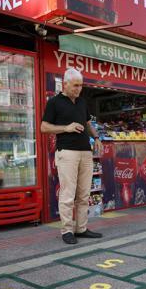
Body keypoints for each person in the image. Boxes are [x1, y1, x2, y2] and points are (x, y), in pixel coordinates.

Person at [41, 68, 103, 245]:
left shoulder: (82, 102)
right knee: (68, 194)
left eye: (81, 86)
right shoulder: (54, 102)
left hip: (85, 152)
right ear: (65, 84)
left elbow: (88, 123)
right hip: (67, 152)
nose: (78, 89)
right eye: (75, 85)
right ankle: (67, 230)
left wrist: (96, 137)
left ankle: (81, 228)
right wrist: (65, 128)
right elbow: (44, 127)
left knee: (84, 194)